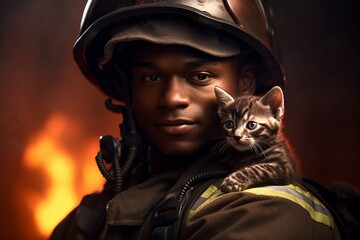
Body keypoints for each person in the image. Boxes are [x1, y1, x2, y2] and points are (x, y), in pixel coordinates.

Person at [50, 0, 343, 239]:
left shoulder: (264, 212)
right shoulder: (93, 213)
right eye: (151, 77)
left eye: (200, 76)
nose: (172, 98)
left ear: (245, 83)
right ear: (129, 90)